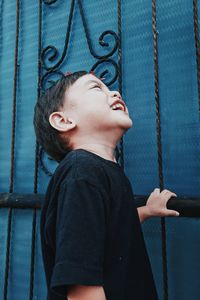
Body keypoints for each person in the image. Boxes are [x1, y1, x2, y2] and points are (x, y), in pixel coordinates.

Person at [33, 70, 179, 300]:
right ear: (63, 120)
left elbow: (106, 225)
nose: (115, 92)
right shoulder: (82, 174)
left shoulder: (96, 171)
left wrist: (146, 211)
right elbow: (82, 289)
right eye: (95, 87)